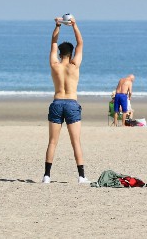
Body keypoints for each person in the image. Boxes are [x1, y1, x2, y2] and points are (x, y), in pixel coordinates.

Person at [43, 16, 89, 184]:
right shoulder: (74, 65)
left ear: (60, 53)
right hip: (71, 103)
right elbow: (81, 43)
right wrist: (74, 25)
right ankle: (81, 176)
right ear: (71, 53)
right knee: (75, 141)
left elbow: (53, 43)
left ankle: (47, 176)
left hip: (56, 103)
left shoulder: (55, 65)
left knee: (52, 142)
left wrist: (58, 26)